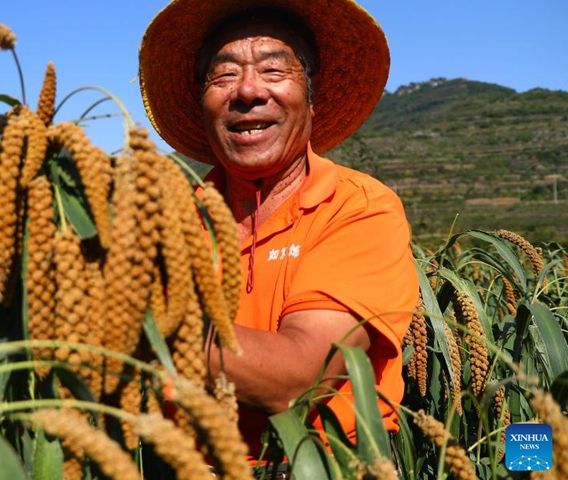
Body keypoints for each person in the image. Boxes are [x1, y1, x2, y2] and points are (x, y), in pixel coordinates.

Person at [138, 0, 419, 460]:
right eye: (224, 75)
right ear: (200, 98)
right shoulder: (168, 220)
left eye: (274, 70)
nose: (247, 90)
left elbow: (297, 382)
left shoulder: (358, 208)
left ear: (312, 92)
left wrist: (135, 309)